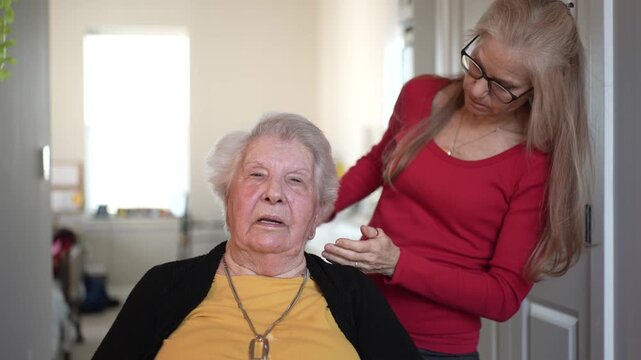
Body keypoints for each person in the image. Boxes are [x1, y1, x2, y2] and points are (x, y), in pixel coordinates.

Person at [321, 1, 590, 359]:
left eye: (502, 87)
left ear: (540, 90)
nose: (477, 90)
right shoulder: (419, 95)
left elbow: (503, 296)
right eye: (476, 65)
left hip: (432, 348)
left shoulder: (534, 164)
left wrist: (397, 264)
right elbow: (376, 163)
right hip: (355, 315)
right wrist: (314, 206)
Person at [93, 113, 422, 360]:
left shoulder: (354, 294)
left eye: (295, 180)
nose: (273, 193)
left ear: (316, 215)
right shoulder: (162, 287)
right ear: (227, 199)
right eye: (256, 174)